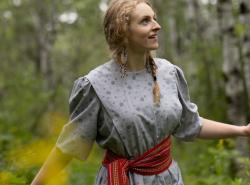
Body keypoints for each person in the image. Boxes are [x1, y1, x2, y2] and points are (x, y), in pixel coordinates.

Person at [31, 0, 250, 185]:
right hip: (121, 179)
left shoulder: (169, 73)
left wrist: (242, 130)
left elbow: (192, 124)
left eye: (154, 18)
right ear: (122, 32)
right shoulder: (95, 85)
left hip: (169, 178)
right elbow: (69, 146)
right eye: (145, 21)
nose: (157, 26)